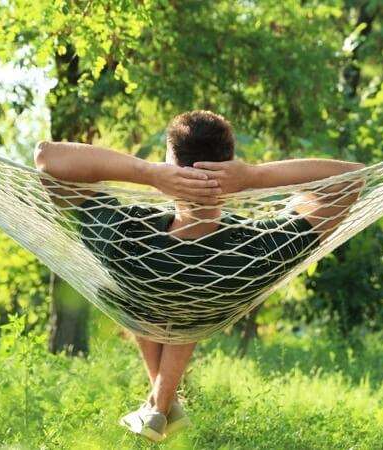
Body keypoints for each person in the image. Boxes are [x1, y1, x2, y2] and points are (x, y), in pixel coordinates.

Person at [34, 110, 364, 442]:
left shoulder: (128, 237)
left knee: (126, 294)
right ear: (230, 162)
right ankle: (161, 405)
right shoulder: (256, 249)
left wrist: (148, 173)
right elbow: (352, 180)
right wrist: (253, 177)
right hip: (212, 298)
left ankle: (159, 405)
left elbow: (47, 159)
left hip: (140, 289)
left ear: (171, 166)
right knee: (191, 301)